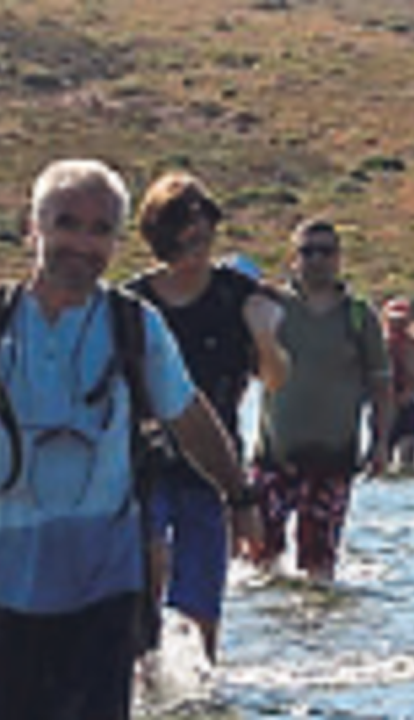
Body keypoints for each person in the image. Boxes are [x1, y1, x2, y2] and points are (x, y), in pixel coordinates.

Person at [0, 159, 261, 720]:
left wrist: (239, 499)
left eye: (100, 230)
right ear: (34, 227)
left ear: (117, 242)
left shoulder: (135, 326)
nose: (82, 243)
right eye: (67, 223)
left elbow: (189, 418)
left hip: (103, 585)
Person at [125, 172, 290, 663]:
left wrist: (264, 335)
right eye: (183, 227)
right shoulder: (132, 303)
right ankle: (143, 674)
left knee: (201, 597)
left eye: (204, 226)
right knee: (147, 561)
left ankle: (201, 683)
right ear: (160, 233)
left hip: (214, 465)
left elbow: (276, 378)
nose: (196, 238)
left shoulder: (237, 294)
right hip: (143, 464)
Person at [247, 219, 393, 583]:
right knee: (260, 564)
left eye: (325, 251)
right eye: (307, 251)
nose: (316, 259)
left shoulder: (359, 317)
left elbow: (381, 388)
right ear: (293, 258)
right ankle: (271, 636)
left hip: (333, 458)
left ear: (339, 258)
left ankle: (321, 639)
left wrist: (381, 444)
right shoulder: (272, 307)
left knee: (320, 567)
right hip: (274, 457)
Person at [381, 297, 414, 474]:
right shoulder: (379, 345)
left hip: (409, 407)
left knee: (408, 460)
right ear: (386, 320)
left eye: (402, 321)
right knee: (382, 461)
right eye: (394, 321)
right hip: (385, 411)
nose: (398, 325)